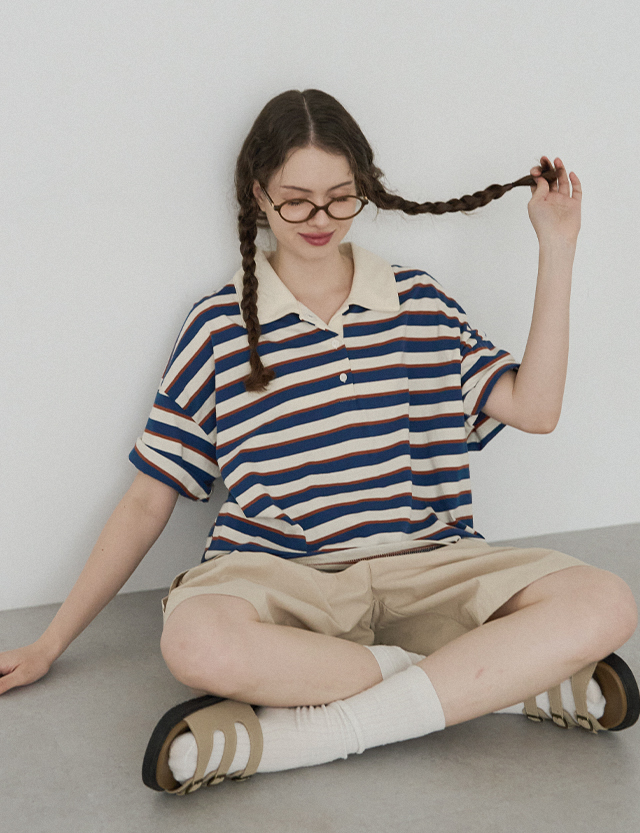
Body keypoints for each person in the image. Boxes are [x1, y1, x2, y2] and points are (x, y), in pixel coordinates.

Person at [1, 89, 637, 797]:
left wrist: (557, 245)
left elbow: (536, 409)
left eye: (340, 199)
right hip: (279, 577)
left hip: (427, 564)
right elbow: (150, 498)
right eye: (296, 201)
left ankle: (302, 735)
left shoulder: (419, 301)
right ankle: (494, 682)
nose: (321, 220)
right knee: (194, 641)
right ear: (258, 194)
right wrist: (49, 642)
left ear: (365, 187)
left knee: (606, 600)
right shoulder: (218, 326)